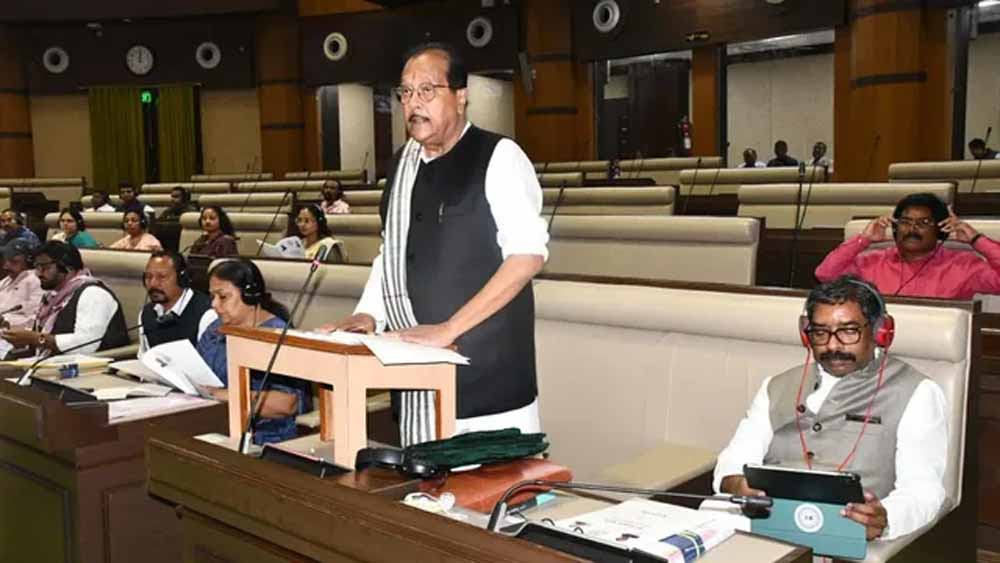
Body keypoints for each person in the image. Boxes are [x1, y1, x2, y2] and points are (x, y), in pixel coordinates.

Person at [321, 42, 549, 446]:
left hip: (488, 376)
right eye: (406, 92)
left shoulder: (498, 156)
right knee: (426, 485)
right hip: (417, 372)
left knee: (491, 484)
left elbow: (527, 256)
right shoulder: (401, 166)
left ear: (460, 96)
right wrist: (368, 313)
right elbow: (391, 253)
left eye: (427, 90)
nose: (414, 103)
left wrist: (448, 329)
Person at [713, 276, 947, 541]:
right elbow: (735, 458)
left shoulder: (917, 392)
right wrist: (736, 484)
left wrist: (886, 519)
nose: (833, 345)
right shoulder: (776, 387)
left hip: (842, 533)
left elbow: (923, 490)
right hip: (764, 522)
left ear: (880, 331)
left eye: (849, 331)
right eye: (820, 333)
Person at [196, 259, 304, 445]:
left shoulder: (278, 336)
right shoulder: (215, 330)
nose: (214, 304)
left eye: (223, 297)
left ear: (250, 296)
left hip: (266, 439)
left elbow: (287, 404)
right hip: (215, 425)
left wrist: (223, 394)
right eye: (212, 296)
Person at [815, 192, 1000, 299]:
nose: (912, 229)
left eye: (924, 222)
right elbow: (825, 274)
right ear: (895, 227)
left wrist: (976, 239)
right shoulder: (873, 262)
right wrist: (864, 239)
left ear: (941, 229)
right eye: (905, 221)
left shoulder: (964, 266)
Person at [1, 241, 129, 356]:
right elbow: (41, 336)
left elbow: (86, 345)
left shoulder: (93, 294)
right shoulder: (53, 296)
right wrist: (14, 334)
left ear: (68, 267)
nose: (38, 274)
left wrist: (36, 339)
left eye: (44, 267)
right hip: (47, 363)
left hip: (87, 369)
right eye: (36, 267)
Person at [137, 251, 216, 355]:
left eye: (162, 277)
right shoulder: (146, 314)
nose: (153, 283)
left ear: (181, 279)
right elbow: (144, 356)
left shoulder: (207, 314)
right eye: (148, 277)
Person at [0, 239, 44, 330]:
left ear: (29, 261)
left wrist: (5, 321)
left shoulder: (36, 281)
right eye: (6, 260)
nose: (6, 266)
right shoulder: (7, 280)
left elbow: (35, 318)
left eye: (13, 261)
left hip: (12, 332)